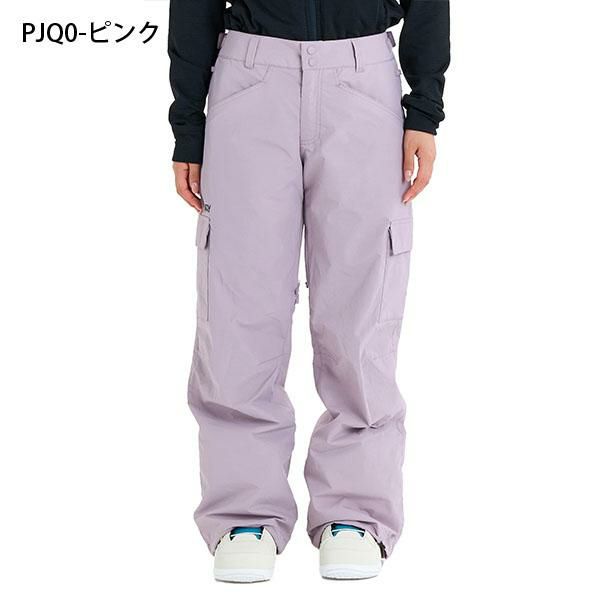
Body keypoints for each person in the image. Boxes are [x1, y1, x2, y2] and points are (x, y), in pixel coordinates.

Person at [168, 0, 450, 582]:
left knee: (361, 308)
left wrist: (424, 107)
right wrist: (188, 125)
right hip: (249, 79)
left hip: (364, 79)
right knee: (239, 304)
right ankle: (243, 514)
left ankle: (356, 513)